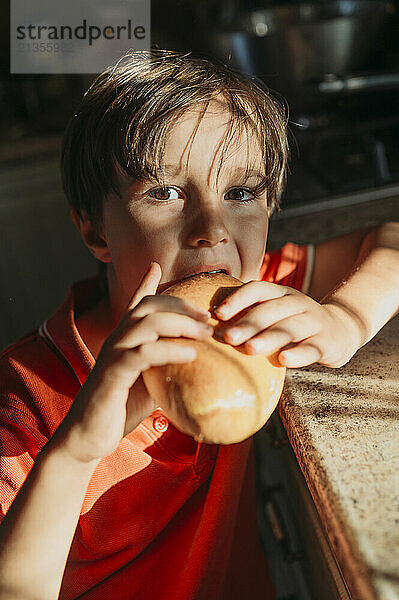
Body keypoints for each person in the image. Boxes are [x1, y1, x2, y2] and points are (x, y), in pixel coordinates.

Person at [0, 49, 398, 600]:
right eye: (165, 192)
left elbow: (392, 238)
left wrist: (345, 320)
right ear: (95, 231)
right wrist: (74, 454)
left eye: (240, 193)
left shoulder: (242, 307)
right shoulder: (23, 402)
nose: (211, 230)